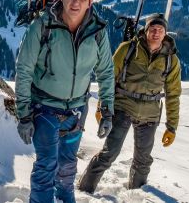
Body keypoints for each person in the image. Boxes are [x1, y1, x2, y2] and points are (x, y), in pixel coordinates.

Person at [15, 0, 115, 203]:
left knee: (68, 165)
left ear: (90, 2)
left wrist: (107, 111)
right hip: (44, 107)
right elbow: (24, 69)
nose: (76, 2)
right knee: (47, 164)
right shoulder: (42, 26)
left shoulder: (97, 32)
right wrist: (23, 114)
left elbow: (106, 72)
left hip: (77, 110)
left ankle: (66, 199)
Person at [78, 13, 182, 192]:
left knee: (143, 161)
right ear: (146, 30)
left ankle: (137, 194)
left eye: (160, 30)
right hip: (123, 107)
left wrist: (172, 126)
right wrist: (103, 106)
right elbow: (109, 78)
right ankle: (84, 189)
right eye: (152, 29)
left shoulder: (171, 60)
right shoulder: (127, 49)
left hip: (150, 114)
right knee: (109, 154)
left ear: (165, 33)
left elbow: (173, 94)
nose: (156, 33)